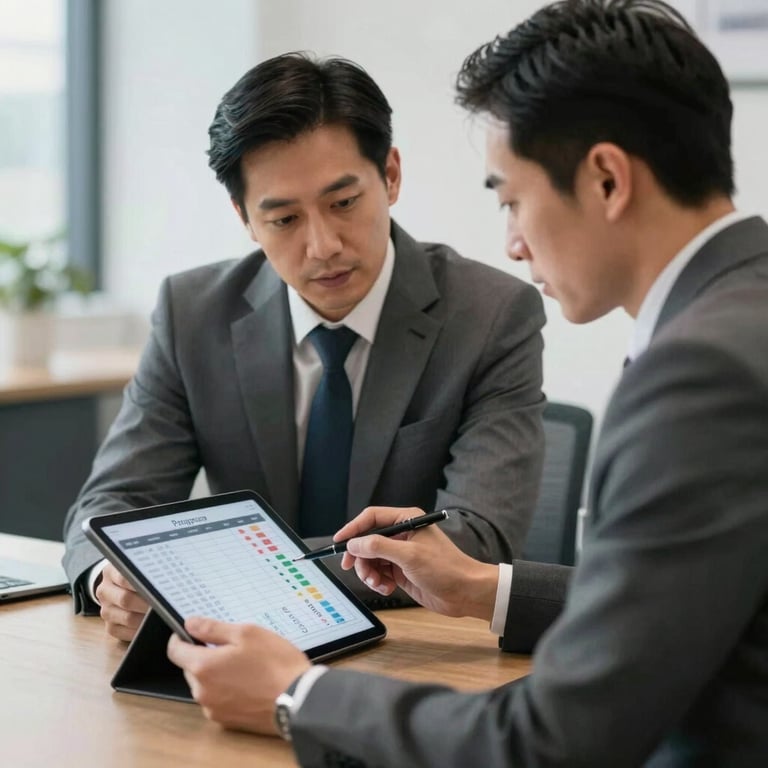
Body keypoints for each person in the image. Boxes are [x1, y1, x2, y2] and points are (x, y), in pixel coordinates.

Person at [166, 1, 768, 765]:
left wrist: (296, 695)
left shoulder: (699, 374)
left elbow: (552, 741)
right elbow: (686, 604)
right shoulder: (745, 314)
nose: (512, 242)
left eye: (511, 198)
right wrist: (488, 590)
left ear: (608, 179)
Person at [62, 53, 546, 642]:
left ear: (390, 175)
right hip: (229, 661)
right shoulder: (193, 314)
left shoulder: (491, 315)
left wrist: (211, 579)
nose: (322, 246)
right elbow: (111, 507)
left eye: (344, 203)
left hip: (411, 657)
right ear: (244, 218)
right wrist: (109, 578)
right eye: (285, 219)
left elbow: (476, 538)